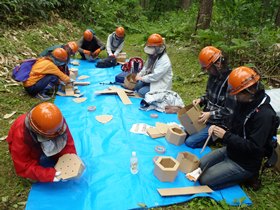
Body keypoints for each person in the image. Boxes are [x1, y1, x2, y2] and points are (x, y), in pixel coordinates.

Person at [198, 66, 277, 190]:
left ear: (248, 91)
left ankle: (248, 176)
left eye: (237, 93)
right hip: (231, 150)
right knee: (199, 166)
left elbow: (254, 148)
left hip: (244, 163)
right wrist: (216, 127)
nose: (234, 97)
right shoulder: (245, 102)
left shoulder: (264, 115)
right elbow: (233, 123)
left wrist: (226, 136)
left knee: (205, 180)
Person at [6, 102, 77, 182]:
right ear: (37, 133)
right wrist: (48, 175)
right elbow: (23, 165)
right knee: (32, 175)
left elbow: (67, 143)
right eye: (48, 138)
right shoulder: (21, 135)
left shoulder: (56, 122)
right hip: (30, 147)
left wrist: (70, 159)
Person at [185, 46, 235, 148]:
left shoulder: (232, 82)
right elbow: (208, 94)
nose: (208, 71)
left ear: (218, 64)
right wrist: (201, 99)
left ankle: (216, 137)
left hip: (219, 123)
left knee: (190, 142)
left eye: (209, 68)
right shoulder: (213, 75)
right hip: (205, 118)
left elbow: (230, 111)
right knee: (185, 132)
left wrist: (210, 114)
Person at [135, 33, 172, 97]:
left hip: (159, 84)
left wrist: (141, 78)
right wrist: (139, 74)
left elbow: (155, 76)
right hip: (150, 80)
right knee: (137, 87)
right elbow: (145, 67)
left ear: (158, 48)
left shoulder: (164, 61)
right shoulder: (153, 55)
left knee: (141, 92)